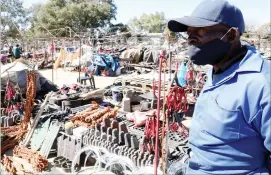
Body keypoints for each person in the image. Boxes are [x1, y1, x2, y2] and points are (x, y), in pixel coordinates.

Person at [168, 0, 270, 174]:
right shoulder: (217, 69)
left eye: (200, 31)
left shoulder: (260, 83)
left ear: (231, 35)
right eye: (189, 33)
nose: (191, 39)